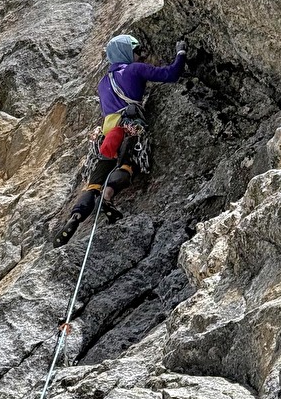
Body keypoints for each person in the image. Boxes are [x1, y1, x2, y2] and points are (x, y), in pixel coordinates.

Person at [52, 33, 187, 247]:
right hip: (129, 126)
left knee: (93, 183)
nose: (139, 55)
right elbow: (171, 74)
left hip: (106, 134)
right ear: (126, 52)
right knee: (127, 164)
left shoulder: (102, 83)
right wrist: (181, 52)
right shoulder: (134, 70)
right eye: (136, 50)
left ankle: (75, 217)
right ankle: (108, 197)